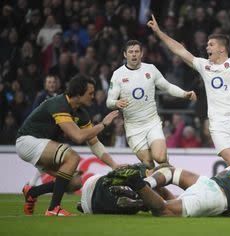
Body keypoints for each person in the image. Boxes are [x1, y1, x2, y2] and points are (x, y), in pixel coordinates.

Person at [147, 8, 230, 166]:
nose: (207, 47)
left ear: (222, 49)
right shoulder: (204, 66)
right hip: (217, 122)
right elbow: (180, 50)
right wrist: (159, 32)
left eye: (211, 44)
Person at [16, 74, 121, 216]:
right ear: (78, 94)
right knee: (72, 157)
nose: (93, 96)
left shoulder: (81, 113)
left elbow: (94, 143)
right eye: (90, 93)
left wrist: (114, 165)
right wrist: (103, 124)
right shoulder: (59, 104)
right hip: (27, 141)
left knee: (75, 183)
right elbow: (78, 137)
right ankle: (54, 208)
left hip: (44, 145)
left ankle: (32, 192)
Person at [109, 149, 230, 217]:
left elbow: (223, 176)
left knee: (171, 172)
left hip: (207, 183)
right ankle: (136, 189)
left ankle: (143, 184)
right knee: (164, 210)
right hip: (215, 198)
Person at [106, 40, 197, 169]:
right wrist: (116, 102)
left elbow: (167, 87)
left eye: (136, 51)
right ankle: (161, 184)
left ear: (141, 53)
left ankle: (172, 173)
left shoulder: (150, 69)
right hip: (133, 128)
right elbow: (109, 102)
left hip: (152, 122)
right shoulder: (118, 75)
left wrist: (184, 94)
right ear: (125, 54)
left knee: (160, 158)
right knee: (148, 164)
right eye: (130, 52)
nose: (134, 54)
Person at [77, 164, 175, 215]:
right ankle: (135, 200)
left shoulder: (139, 167)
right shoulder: (152, 184)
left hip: (94, 182)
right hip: (95, 205)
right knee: (146, 203)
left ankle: (133, 198)